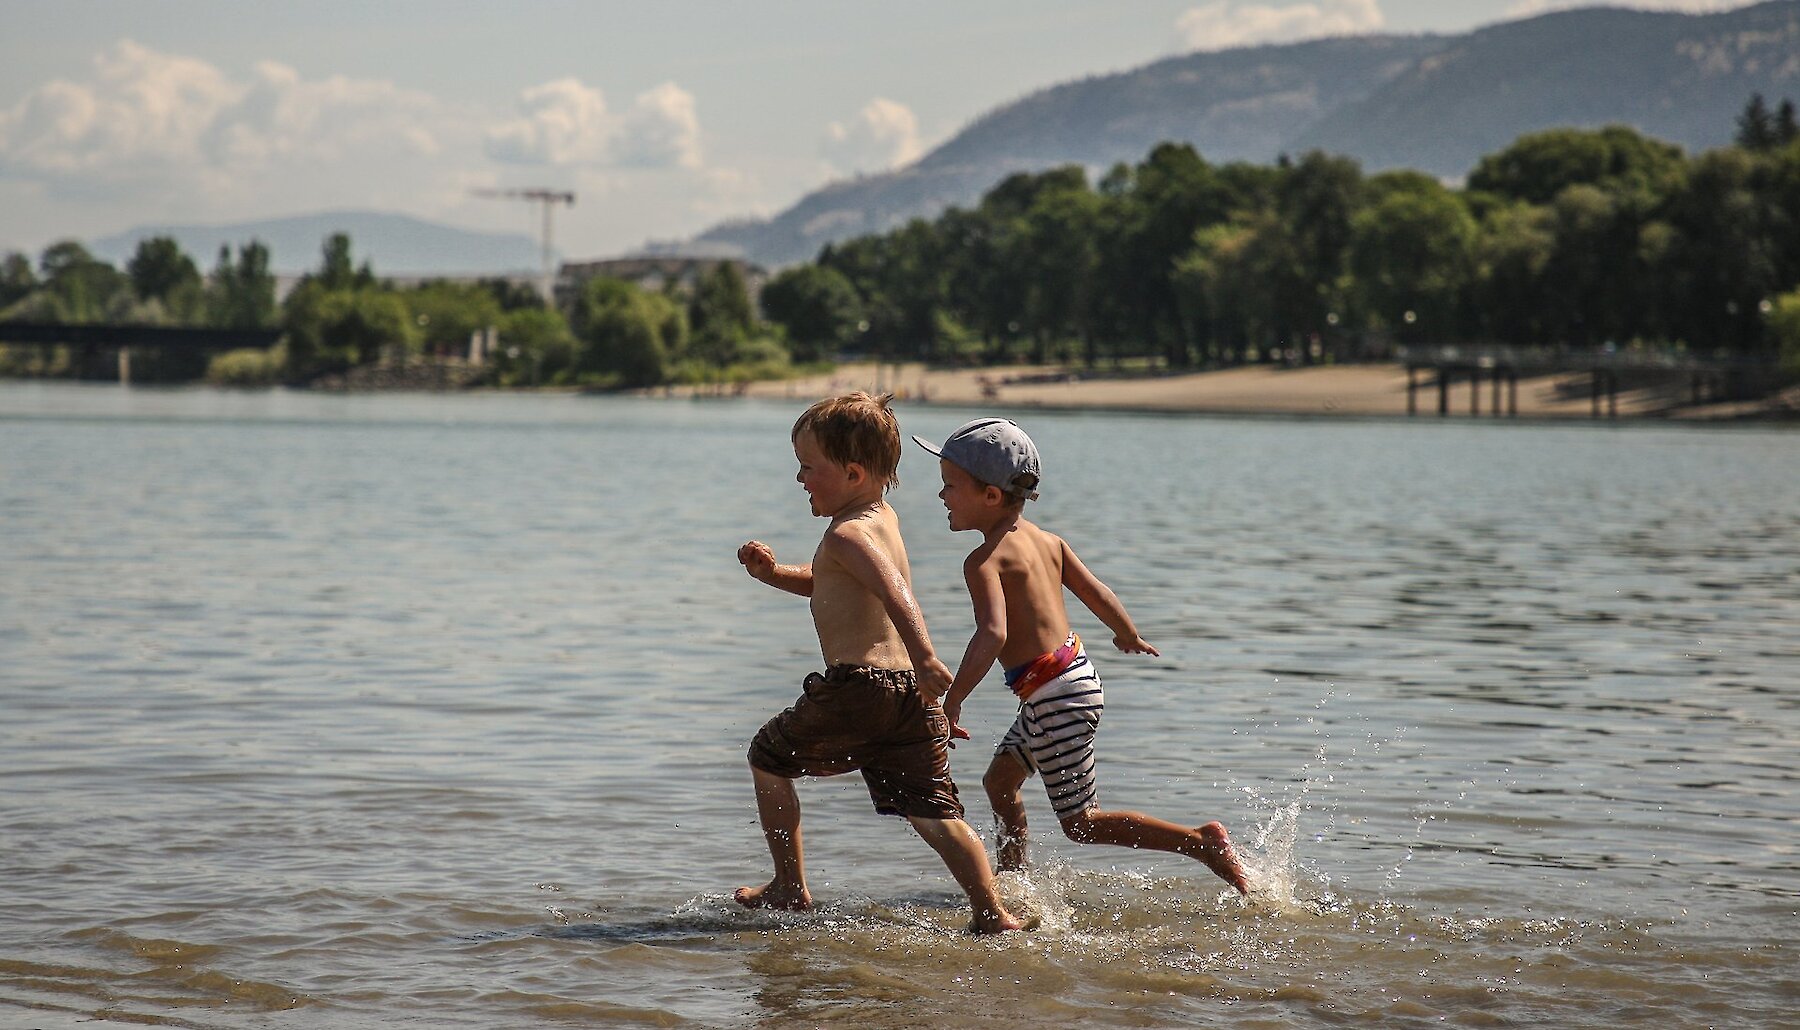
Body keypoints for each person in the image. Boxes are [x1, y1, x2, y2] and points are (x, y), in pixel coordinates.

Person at [914, 417, 1250, 894]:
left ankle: (1200, 842)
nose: (941, 496)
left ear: (990, 496)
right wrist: (1126, 633)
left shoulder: (984, 561)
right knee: (1000, 783)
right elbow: (1096, 592)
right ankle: (1013, 883)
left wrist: (953, 701)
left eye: (949, 485)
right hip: (1074, 679)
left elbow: (991, 634)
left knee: (1081, 822)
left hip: (1054, 696)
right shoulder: (1049, 542)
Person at [736, 393, 1030, 933]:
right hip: (905, 696)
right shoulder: (881, 518)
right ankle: (992, 912)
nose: (800, 479)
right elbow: (837, 584)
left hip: (859, 687)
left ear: (851, 473)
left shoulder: (847, 534)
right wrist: (774, 573)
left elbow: (896, 595)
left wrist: (927, 656)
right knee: (935, 813)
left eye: (807, 467)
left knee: (767, 759)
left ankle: (788, 887)